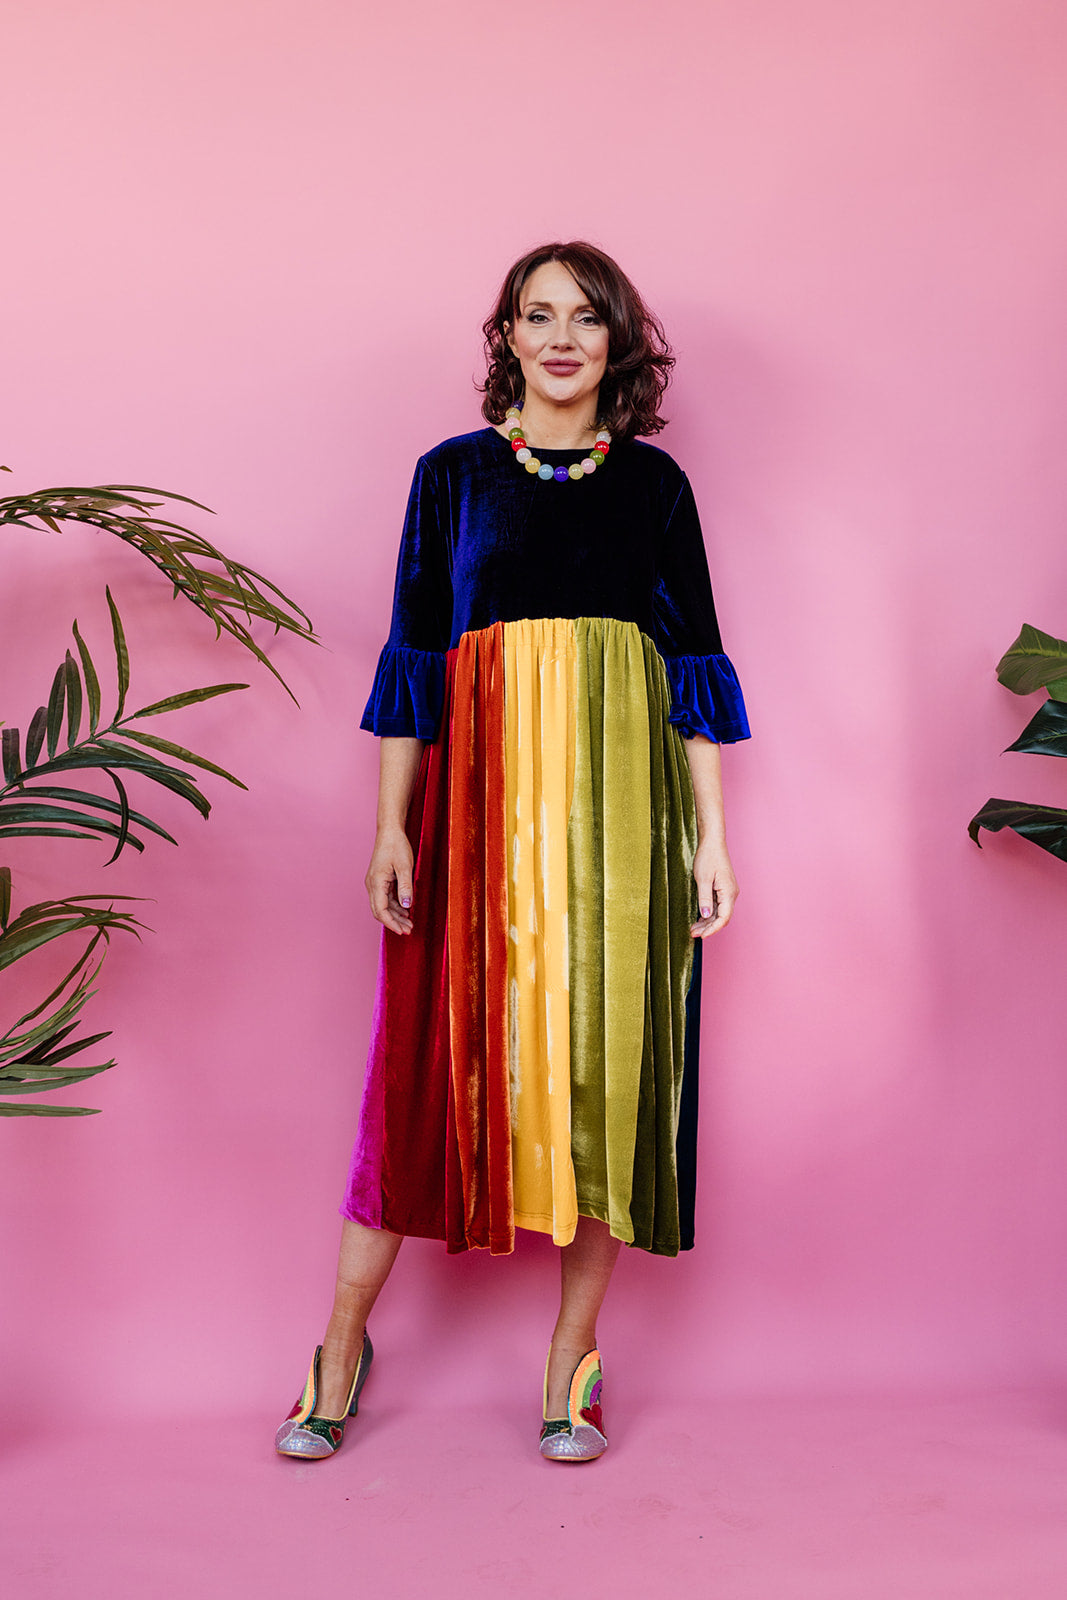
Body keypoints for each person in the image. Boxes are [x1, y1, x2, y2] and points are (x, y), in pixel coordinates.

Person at [275, 241, 750, 1463]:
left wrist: (709, 835)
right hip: (474, 815)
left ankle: (570, 1357)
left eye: (584, 319)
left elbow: (693, 669)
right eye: (537, 316)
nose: (560, 339)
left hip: (621, 824)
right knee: (421, 1071)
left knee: (606, 1076)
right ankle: (340, 1343)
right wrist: (391, 824)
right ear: (507, 337)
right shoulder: (450, 478)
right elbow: (415, 663)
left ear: (617, 343)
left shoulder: (655, 488)